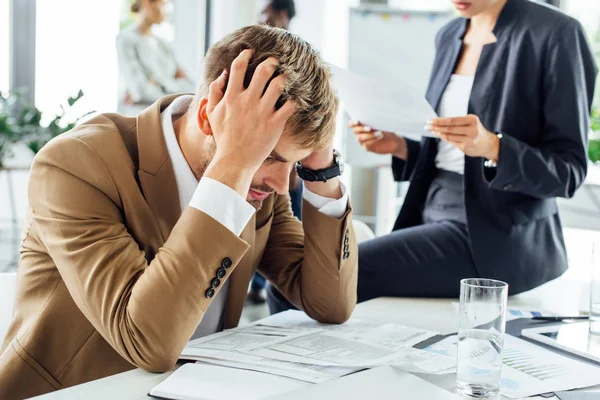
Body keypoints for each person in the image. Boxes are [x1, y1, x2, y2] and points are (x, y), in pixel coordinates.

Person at [0, 25, 357, 399]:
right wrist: (232, 167)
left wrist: (322, 172)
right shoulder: (75, 165)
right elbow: (146, 343)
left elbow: (328, 304)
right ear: (208, 118)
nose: (282, 185)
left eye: (293, 163)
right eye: (268, 155)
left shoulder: (262, 183)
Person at [265, 0, 598, 315]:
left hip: (492, 237)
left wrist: (493, 147)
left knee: (299, 283)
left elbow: (568, 171)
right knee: (295, 282)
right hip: (431, 215)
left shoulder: (555, 33)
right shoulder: (450, 34)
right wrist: (400, 148)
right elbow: (450, 152)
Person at [248, 0, 299, 304]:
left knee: (282, 223)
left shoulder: (298, 58)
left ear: (281, 15)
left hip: (286, 156)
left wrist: (291, 165)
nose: (261, 19)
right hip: (264, 154)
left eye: (266, 12)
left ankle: (264, 280)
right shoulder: (257, 52)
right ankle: (255, 282)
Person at [116, 0, 195, 116]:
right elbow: (139, 91)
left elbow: (188, 86)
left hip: (163, 118)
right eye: (163, 4)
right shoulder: (126, 39)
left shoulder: (164, 45)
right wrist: (173, 89)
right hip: (135, 118)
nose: (166, 11)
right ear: (147, 3)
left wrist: (159, 82)